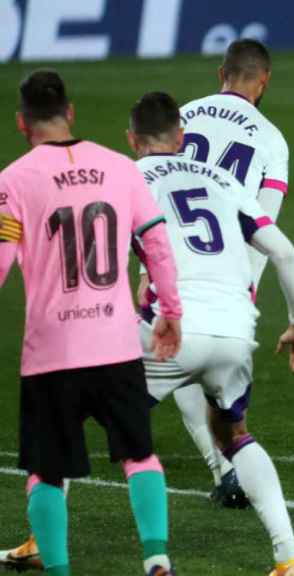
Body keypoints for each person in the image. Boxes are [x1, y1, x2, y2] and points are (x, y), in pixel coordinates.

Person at [0, 70, 182, 575]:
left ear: (21, 123)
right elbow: (157, 244)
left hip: (52, 351)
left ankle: (59, 570)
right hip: (116, 342)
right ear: (71, 112)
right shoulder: (122, 168)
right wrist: (171, 312)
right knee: (139, 454)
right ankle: (156, 557)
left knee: (46, 471)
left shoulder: (11, 182)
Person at [141, 38, 291, 506]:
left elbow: (149, 193)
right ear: (264, 80)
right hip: (226, 270)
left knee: (169, 357)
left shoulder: (182, 116)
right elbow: (264, 229)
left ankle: (221, 468)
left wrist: (144, 271)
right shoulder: (270, 139)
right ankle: (231, 469)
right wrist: (246, 289)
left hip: (168, 255)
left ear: (219, 73)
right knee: (211, 368)